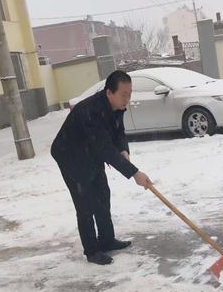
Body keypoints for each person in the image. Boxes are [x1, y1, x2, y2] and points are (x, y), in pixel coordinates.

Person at [51, 70, 152, 265]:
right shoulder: (90, 111)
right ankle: (91, 250)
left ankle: (106, 240)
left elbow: (118, 132)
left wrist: (123, 149)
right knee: (85, 201)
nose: (127, 99)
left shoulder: (118, 107)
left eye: (130, 94)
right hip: (70, 155)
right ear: (109, 92)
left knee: (102, 194)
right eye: (124, 94)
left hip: (90, 151)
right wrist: (134, 173)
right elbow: (104, 147)